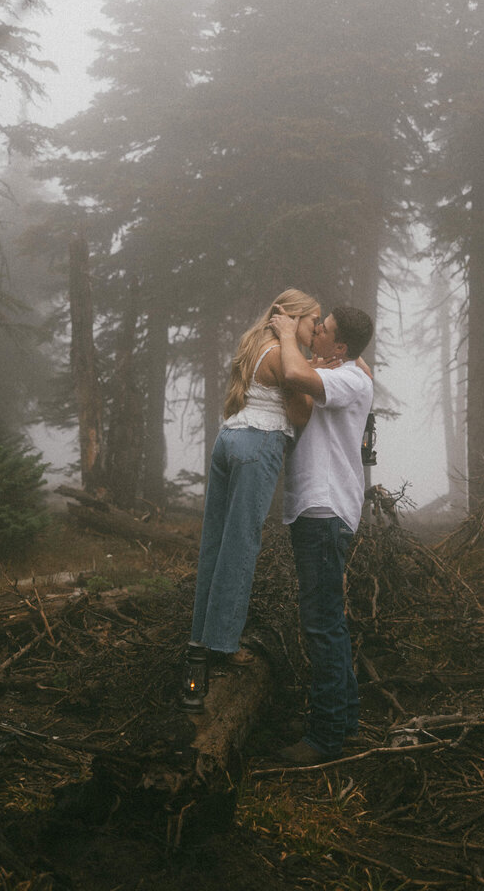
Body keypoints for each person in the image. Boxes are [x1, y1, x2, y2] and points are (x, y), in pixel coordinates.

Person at [182, 288, 322, 710]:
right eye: (313, 322)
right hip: (259, 443)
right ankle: (224, 644)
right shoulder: (282, 352)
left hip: (229, 439)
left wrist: (308, 360)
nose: (316, 331)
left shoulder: (256, 342)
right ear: (292, 317)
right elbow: (300, 414)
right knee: (242, 544)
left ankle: (200, 641)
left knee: (216, 541)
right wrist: (315, 381)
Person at [268, 305, 374, 764]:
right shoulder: (349, 369)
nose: (316, 333)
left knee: (321, 625)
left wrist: (287, 333)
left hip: (324, 507)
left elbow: (293, 373)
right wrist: (315, 349)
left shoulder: (350, 380)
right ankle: (343, 721)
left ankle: (325, 739)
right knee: (329, 622)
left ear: (342, 345)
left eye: (324, 330)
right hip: (320, 508)